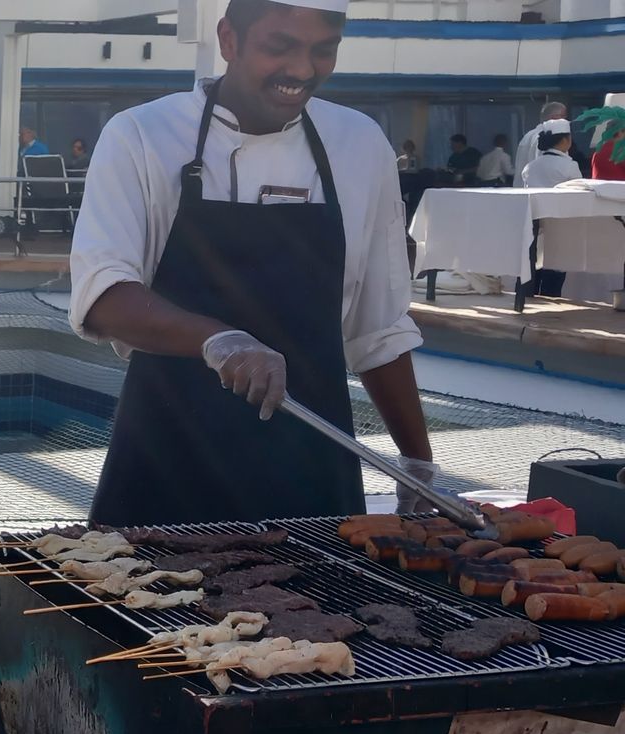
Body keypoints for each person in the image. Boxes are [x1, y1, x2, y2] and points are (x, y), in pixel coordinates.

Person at [72, 0, 436, 542]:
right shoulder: (142, 135)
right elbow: (102, 295)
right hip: (167, 458)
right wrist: (218, 340)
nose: (303, 69)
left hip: (311, 466)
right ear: (228, 40)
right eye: (279, 47)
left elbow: (379, 329)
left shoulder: (360, 145)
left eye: (323, 50)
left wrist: (418, 466)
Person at [520, 119, 582, 300]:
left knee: (533, 268)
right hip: (560, 226)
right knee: (555, 272)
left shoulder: (530, 167)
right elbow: (579, 196)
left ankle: (528, 300)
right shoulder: (570, 166)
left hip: (533, 226)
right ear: (564, 140)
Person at [516, 102, 566, 179]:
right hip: (544, 185)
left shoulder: (528, 136)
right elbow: (545, 170)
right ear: (554, 118)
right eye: (563, 117)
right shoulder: (547, 139)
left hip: (524, 184)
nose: (566, 121)